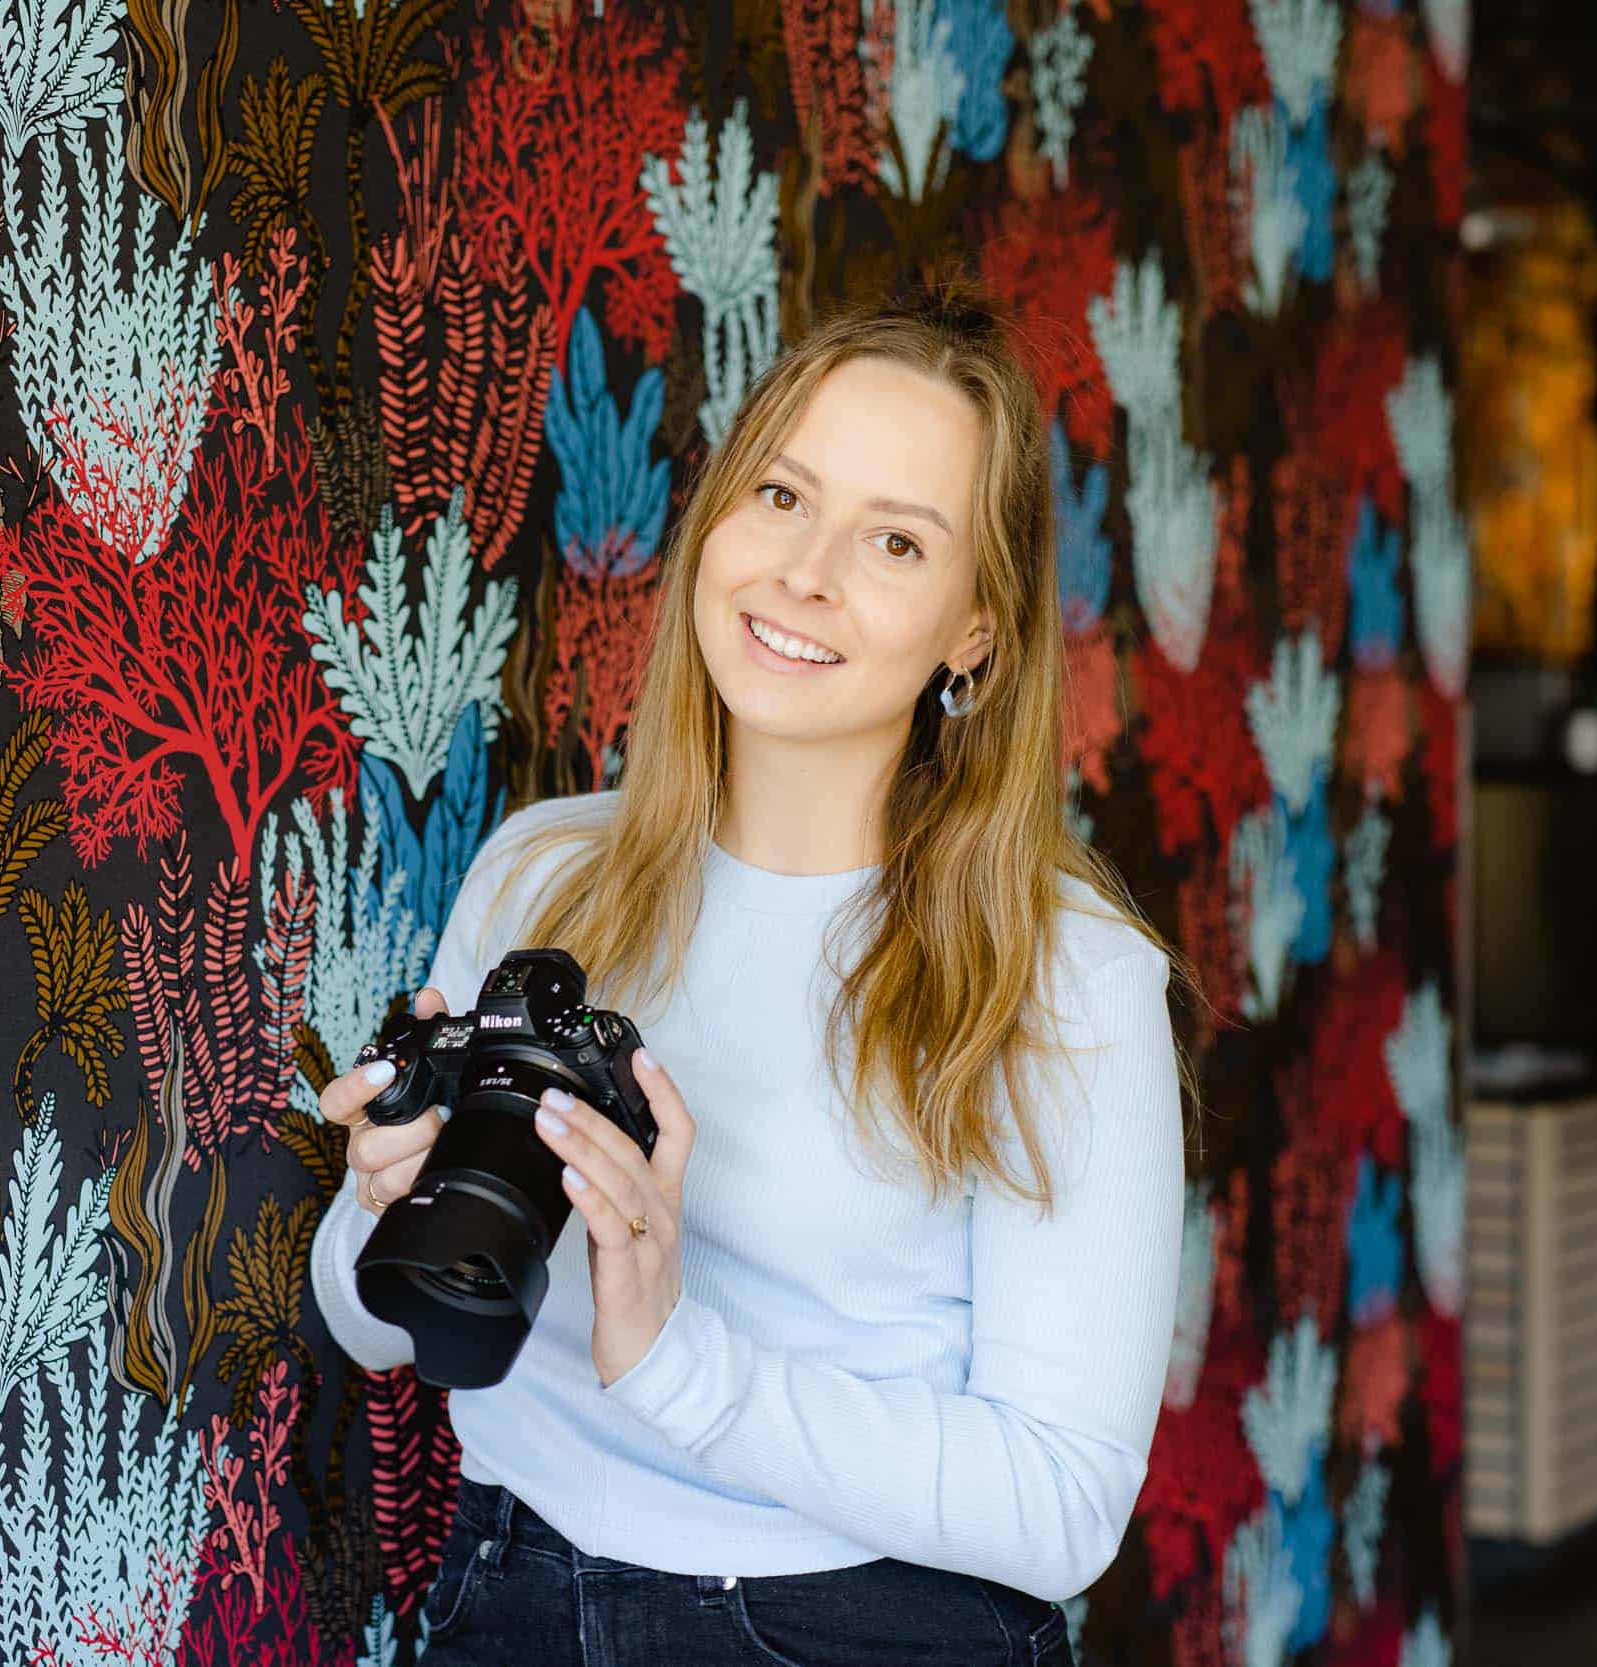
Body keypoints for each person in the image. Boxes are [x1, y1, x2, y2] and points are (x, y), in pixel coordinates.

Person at [311, 275, 1191, 1667]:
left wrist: (676, 1358)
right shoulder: (547, 874)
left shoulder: (1064, 974)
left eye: (896, 542)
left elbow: (1063, 1505)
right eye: (782, 496)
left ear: (977, 632)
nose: (807, 571)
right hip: (508, 1595)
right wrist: (382, 1208)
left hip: (857, 1631)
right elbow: (379, 1331)